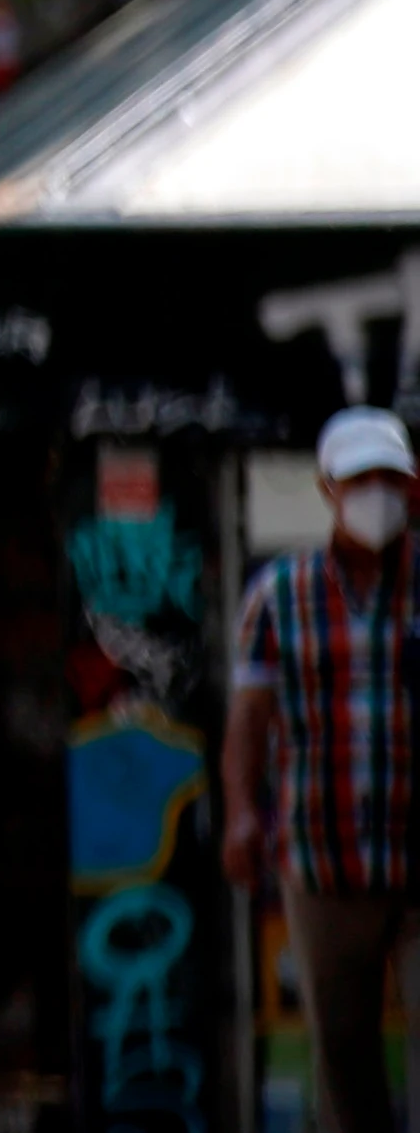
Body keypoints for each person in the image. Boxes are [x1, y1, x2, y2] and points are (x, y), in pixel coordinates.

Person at [227, 406, 420, 1133]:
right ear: (328, 488)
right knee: (343, 1053)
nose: (377, 494)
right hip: (324, 853)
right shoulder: (280, 597)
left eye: (389, 479)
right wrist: (243, 810)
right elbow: (250, 716)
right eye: (360, 479)